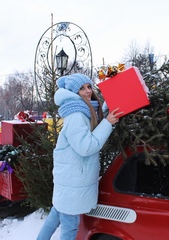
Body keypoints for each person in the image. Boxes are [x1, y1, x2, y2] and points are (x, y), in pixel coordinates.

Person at [37, 73, 123, 240]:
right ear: (74, 93)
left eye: (89, 87)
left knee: (55, 217)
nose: (87, 91)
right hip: (73, 180)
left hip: (70, 178)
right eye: (82, 88)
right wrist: (107, 123)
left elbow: (92, 123)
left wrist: (108, 106)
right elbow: (86, 147)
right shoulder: (77, 115)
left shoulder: (82, 109)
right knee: (70, 228)